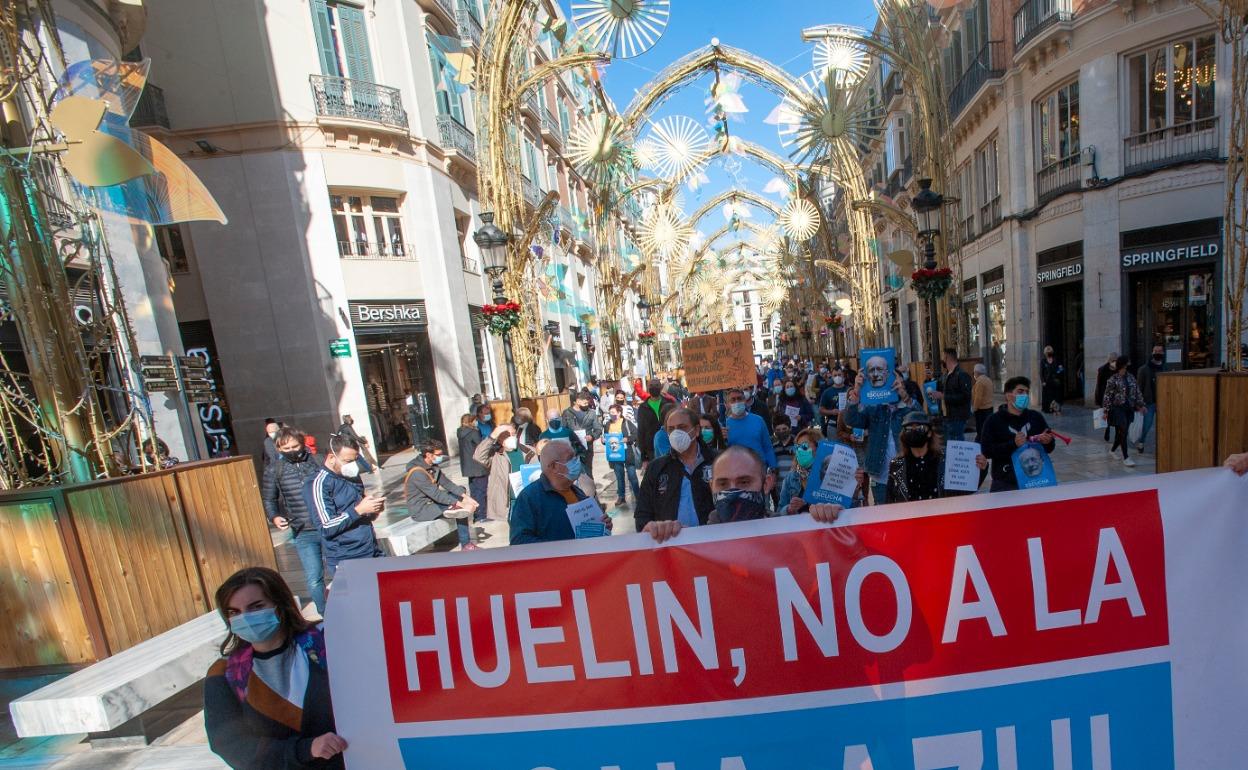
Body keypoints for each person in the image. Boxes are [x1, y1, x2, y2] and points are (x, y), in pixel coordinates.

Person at [205, 567, 344, 769]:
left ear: (280, 605)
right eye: (234, 612)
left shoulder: (325, 642)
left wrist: (349, 616)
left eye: (256, 607)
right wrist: (305, 750)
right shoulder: (225, 674)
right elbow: (231, 745)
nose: (245, 618)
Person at [646, 446, 844, 542]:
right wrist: (656, 540)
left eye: (744, 482)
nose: (733, 491)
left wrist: (832, 525)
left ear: (766, 484)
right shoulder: (691, 543)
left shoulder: (791, 537)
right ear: (711, 487)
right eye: (723, 483)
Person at [261, 427, 327, 616]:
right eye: (286, 448)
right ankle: (325, 613)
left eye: (295, 446)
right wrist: (274, 516)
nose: (291, 451)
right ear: (278, 449)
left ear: (303, 443)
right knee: (314, 577)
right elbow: (269, 498)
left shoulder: (318, 461)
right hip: (302, 529)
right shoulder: (275, 469)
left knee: (340, 571)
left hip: (328, 525)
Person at [303, 434, 383, 575]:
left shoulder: (352, 476)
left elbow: (359, 509)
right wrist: (358, 510)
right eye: (347, 461)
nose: (352, 465)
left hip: (370, 549)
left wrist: (372, 510)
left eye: (354, 460)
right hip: (346, 557)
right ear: (332, 457)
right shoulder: (318, 483)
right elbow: (326, 526)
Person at [635, 408, 717, 537]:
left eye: (682, 427)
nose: (676, 433)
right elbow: (642, 514)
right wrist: (652, 531)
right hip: (672, 546)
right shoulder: (656, 468)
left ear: (696, 430)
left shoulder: (718, 462)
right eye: (671, 429)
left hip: (712, 542)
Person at [509, 440, 609, 544]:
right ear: (554, 466)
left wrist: (602, 525)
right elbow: (518, 541)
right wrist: (559, 548)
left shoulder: (577, 491)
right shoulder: (529, 498)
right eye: (571, 458)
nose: (577, 461)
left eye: (575, 456)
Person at [844, 370, 920, 504]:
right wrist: (856, 391)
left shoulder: (907, 407)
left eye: (897, 383)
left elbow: (922, 419)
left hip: (906, 475)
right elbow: (851, 420)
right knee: (883, 514)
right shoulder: (874, 408)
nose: (892, 385)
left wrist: (904, 395)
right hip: (879, 477)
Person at [885, 411, 987, 502]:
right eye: (909, 428)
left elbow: (964, 490)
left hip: (940, 519)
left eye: (919, 428)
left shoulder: (945, 460)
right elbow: (889, 500)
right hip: (910, 520)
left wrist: (981, 468)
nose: (913, 431)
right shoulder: (897, 465)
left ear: (929, 433)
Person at [979, 376, 1058, 491]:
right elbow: (987, 451)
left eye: (1027, 392)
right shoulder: (993, 421)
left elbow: (1050, 447)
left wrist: (1048, 441)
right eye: (1020, 392)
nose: (1025, 395)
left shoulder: (1036, 417)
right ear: (1008, 395)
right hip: (1006, 482)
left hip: (1036, 481)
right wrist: (1013, 444)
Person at [405, 439, 478, 549]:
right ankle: (466, 544)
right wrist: (462, 504)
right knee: (461, 510)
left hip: (434, 503)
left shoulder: (433, 467)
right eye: (438, 454)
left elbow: (447, 484)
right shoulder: (417, 473)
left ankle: (451, 508)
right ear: (429, 455)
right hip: (421, 509)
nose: (441, 456)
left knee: (460, 490)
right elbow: (436, 494)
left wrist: (467, 498)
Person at [474, 424, 538, 526]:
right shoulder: (495, 456)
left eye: (513, 434)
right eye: (507, 435)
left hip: (530, 500)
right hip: (511, 503)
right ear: (499, 439)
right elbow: (478, 456)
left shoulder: (530, 451)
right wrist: (493, 435)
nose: (511, 437)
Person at [1102, 355, 1146, 467]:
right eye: (1127, 362)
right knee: (1122, 430)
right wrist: (1105, 411)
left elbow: (1137, 392)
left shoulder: (1131, 377)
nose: (1129, 364)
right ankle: (1126, 457)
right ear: (1123, 364)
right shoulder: (1113, 379)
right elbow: (1107, 395)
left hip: (1128, 408)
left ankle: (1112, 451)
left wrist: (1141, 405)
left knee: (1122, 433)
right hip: (1117, 409)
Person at [724, 387, 777, 476]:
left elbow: (767, 447)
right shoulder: (724, 426)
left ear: (744, 400)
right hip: (737, 474)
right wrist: (722, 440)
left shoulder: (758, 420)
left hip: (760, 471)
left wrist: (773, 469)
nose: (737, 402)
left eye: (739, 398)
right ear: (728, 404)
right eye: (733, 400)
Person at [929, 348, 973, 442]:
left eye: (943, 358)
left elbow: (965, 397)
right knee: (949, 441)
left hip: (957, 416)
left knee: (956, 441)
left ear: (947, 358)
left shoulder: (961, 375)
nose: (942, 361)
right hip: (947, 415)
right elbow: (940, 388)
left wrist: (943, 396)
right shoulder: (947, 375)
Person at [604, 402, 641, 507]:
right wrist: (603, 440)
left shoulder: (626, 423)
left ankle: (638, 496)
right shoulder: (608, 424)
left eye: (613, 412)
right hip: (615, 454)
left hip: (627, 453)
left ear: (619, 413)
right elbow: (606, 437)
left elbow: (636, 434)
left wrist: (627, 439)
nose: (611, 414)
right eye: (610, 412)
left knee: (632, 476)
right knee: (619, 477)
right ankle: (621, 497)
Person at [455, 413, 490, 518]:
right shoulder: (473, 432)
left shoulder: (460, 432)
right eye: (475, 420)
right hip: (478, 466)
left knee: (474, 491)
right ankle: (482, 515)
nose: (476, 422)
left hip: (468, 467)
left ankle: (475, 513)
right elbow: (481, 447)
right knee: (481, 491)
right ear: (471, 421)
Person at [561, 391, 602, 473]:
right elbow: (563, 429)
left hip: (587, 447)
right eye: (585, 403)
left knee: (588, 470)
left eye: (588, 403)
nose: (587, 404)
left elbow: (598, 429)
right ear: (577, 401)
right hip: (572, 447)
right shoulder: (567, 413)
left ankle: (589, 485)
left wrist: (592, 436)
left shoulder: (591, 413)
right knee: (573, 471)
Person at [1135, 344, 1164, 451]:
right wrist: (1139, 404)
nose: (1158, 353)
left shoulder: (1165, 368)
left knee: (1163, 425)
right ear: (1152, 353)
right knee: (1147, 425)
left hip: (1163, 401)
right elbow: (1139, 388)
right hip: (1149, 402)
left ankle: (1163, 445)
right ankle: (1141, 442)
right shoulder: (1144, 369)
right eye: (1156, 351)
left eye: (1160, 351)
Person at [636, 379, 666, 468]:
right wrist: (644, 457)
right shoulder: (643, 407)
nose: (654, 388)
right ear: (648, 388)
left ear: (660, 387)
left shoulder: (668, 403)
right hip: (651, 449)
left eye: (656, 385)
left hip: (667, 445)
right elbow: (641, 431)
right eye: (651, 386)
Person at [1093, 353, 1118, 443]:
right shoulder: (1102, 370)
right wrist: (1098, 399)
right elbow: (1099, 385)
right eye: (1113, 360)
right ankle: (1107, 429)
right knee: (1107, 415)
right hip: (1105, 396)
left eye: (1116, 360)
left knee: (1116, 415)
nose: (1114, 362)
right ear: (1109, 361)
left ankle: (1116, 434)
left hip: (1115, 397)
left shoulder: (1119, 370)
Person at [817, 368, 849, 435]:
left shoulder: (849, 390)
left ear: (844, 376)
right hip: (833, 425)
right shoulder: (827, 392)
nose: (837, 377)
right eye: (835, 375)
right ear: (832, 376)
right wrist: (831, 412)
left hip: (848, 425)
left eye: (839, 375)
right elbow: (820, 410)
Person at [1039, 346, 1064, 415]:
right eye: (1047, 352)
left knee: (1055, 396)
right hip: (1046, 382)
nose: (1048, 353)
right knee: (1047, 396)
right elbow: (1041, 372)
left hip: (1054, 381)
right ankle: (1047, 409)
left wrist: (1058, 373)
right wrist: (1043, 381)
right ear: (1045, 353)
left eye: (1049, 352)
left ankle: (1055, 409)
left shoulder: (1056, 360)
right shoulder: (1043, 361)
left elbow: (1060, 369)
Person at [971, 363, 994, 437]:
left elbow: (978, 398)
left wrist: (974, 408)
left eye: (974, 372)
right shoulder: (988, 379)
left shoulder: (980, 382)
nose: (974, 374)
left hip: (982, 410)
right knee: (988, 428)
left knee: (981, 430)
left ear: (977, 372)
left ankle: (981, 444)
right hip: (989, 407)